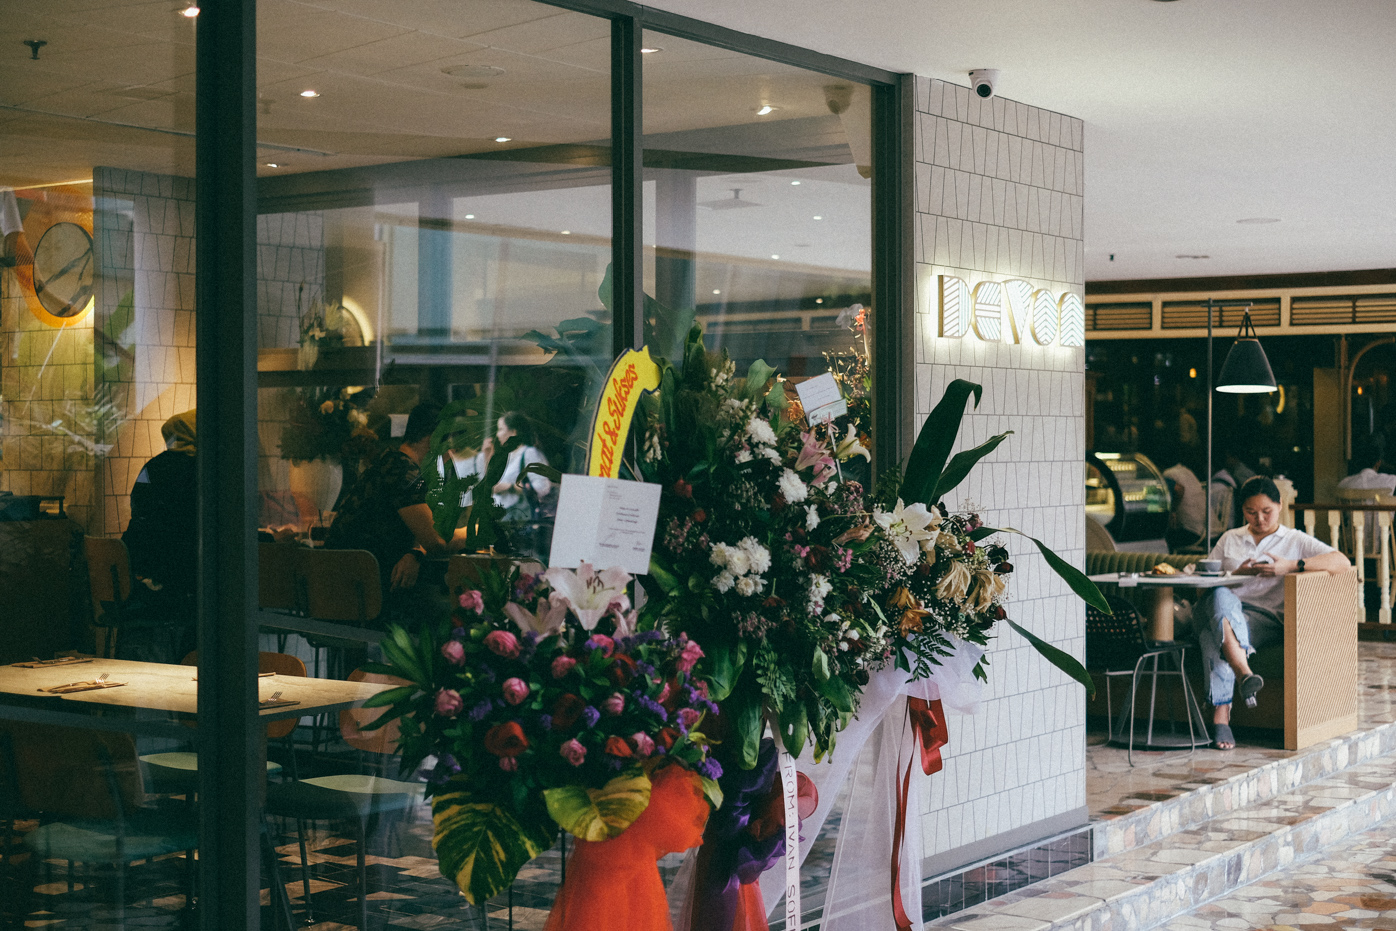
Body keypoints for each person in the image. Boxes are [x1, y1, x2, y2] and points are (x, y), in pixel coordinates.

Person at [1194, 476, 1351, 750]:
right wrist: (1237, 573)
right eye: (1251, 512)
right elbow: (1201, 589)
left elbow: (1342, 561)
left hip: (1264, 619)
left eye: (1266, 511)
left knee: (1213, 634)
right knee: (1219, 597)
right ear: (1242, 511)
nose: (1260, 519)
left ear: (1279, 506)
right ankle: (1244, 673)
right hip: (1225, 609)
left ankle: (1222, 716)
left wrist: (1291, 565)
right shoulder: (1231, 538)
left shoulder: (1294, 539)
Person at [327, 401, 469, 619]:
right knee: (457, 614)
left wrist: (415, 553)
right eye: (454, 446)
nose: (453, 456)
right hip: (357, 595)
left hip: (347, 587)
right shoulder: (402, 471)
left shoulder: (390, 461)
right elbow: (438, 541)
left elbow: (420, 532)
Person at [120, 410, 198, 660]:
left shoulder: (152, 466)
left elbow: (139, 512)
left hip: (142, 574)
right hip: (175, 582)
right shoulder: (198, 470)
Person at [470, 411, 553, 555]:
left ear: (513, 432)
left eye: (501, 429)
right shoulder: (506, 456)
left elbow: (543, 486)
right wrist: (487, 456)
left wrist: (510, 487)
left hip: (520, 522)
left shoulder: (528, 453)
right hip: (502, 522)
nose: (498, 434)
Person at [1163, 458, 1206, 551]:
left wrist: (1173, 510)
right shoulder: (1186, 471)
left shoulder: (1167, 474)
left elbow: (1179, 489)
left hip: (1193, 533)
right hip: (1210, 530)